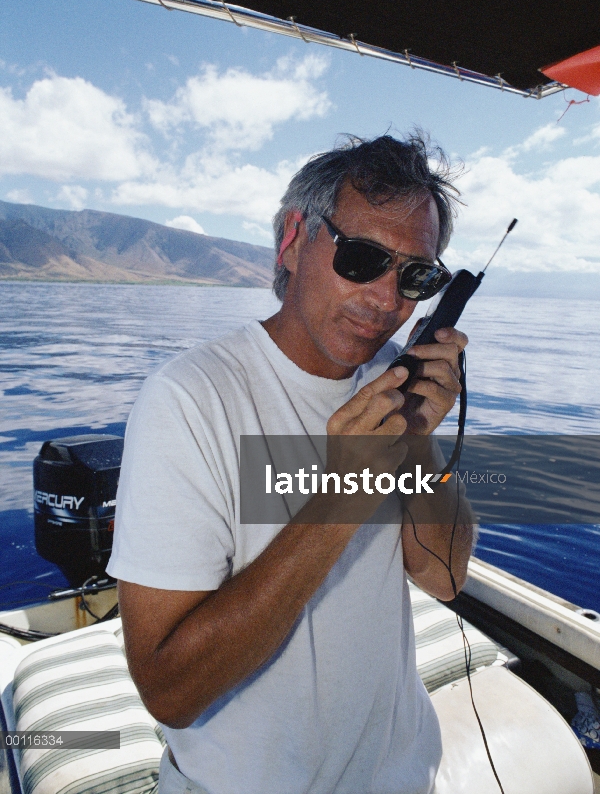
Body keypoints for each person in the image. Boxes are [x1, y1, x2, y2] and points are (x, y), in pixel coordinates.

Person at [107, 133, 474, 794]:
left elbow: (444, 574)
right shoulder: (189, 401)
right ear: (291, 240)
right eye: (363, 258)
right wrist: (341, 498)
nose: (388, 299)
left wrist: (417, 440)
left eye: (416, 275)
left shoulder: (395, 381)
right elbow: (169, 687)